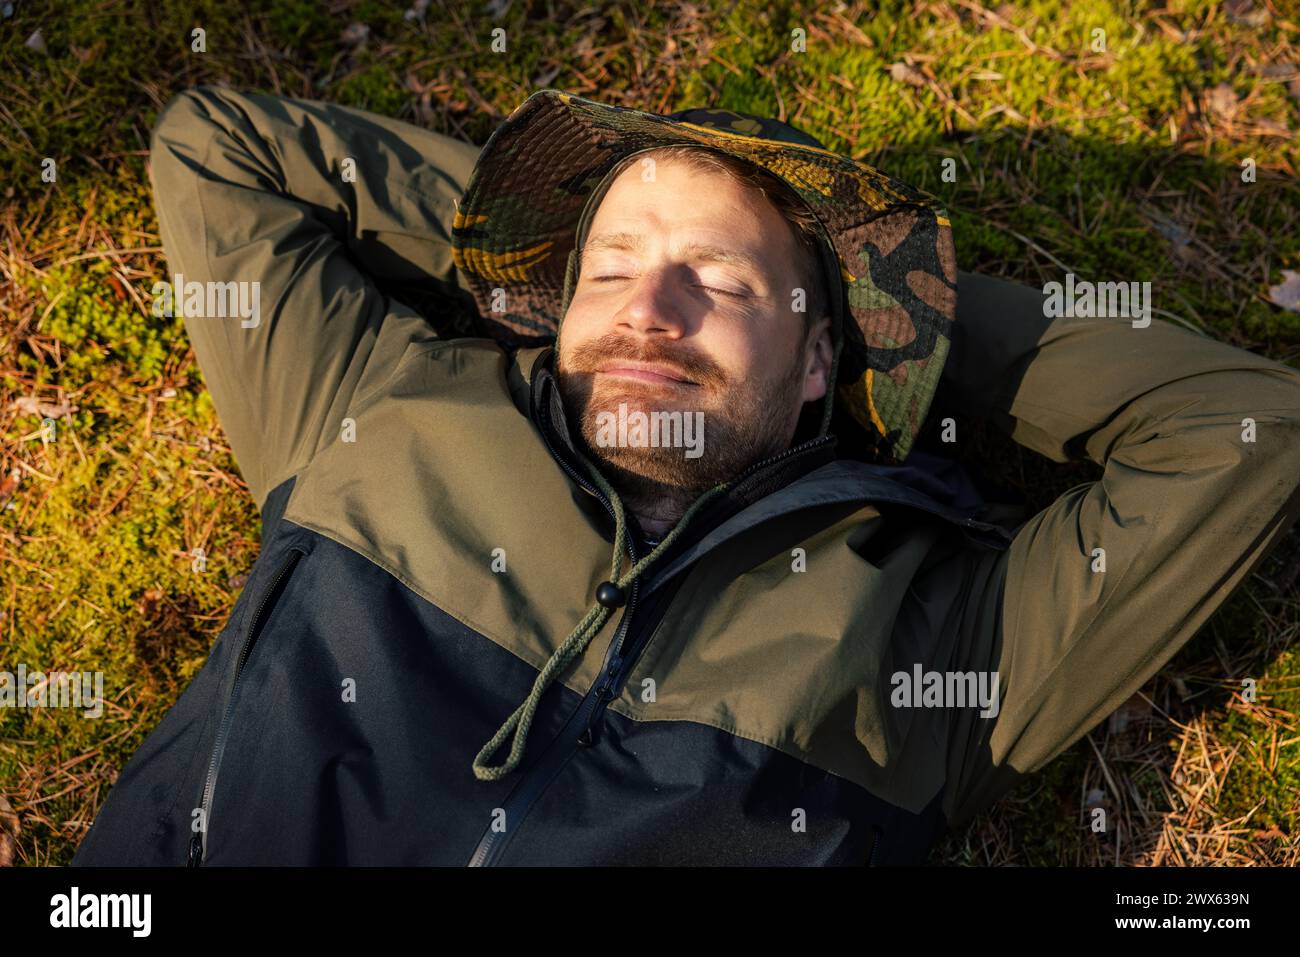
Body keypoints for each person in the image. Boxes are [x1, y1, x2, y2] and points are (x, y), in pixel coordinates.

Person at [71, 86, 1300, 867]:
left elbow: (1242, 427)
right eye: (607, 274)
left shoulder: (934, 632)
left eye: (712, 284)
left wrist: (896, 320)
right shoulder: (379, 405)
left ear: (822, 356)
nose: (646, 314)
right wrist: (553, 262)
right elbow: (220, 146)